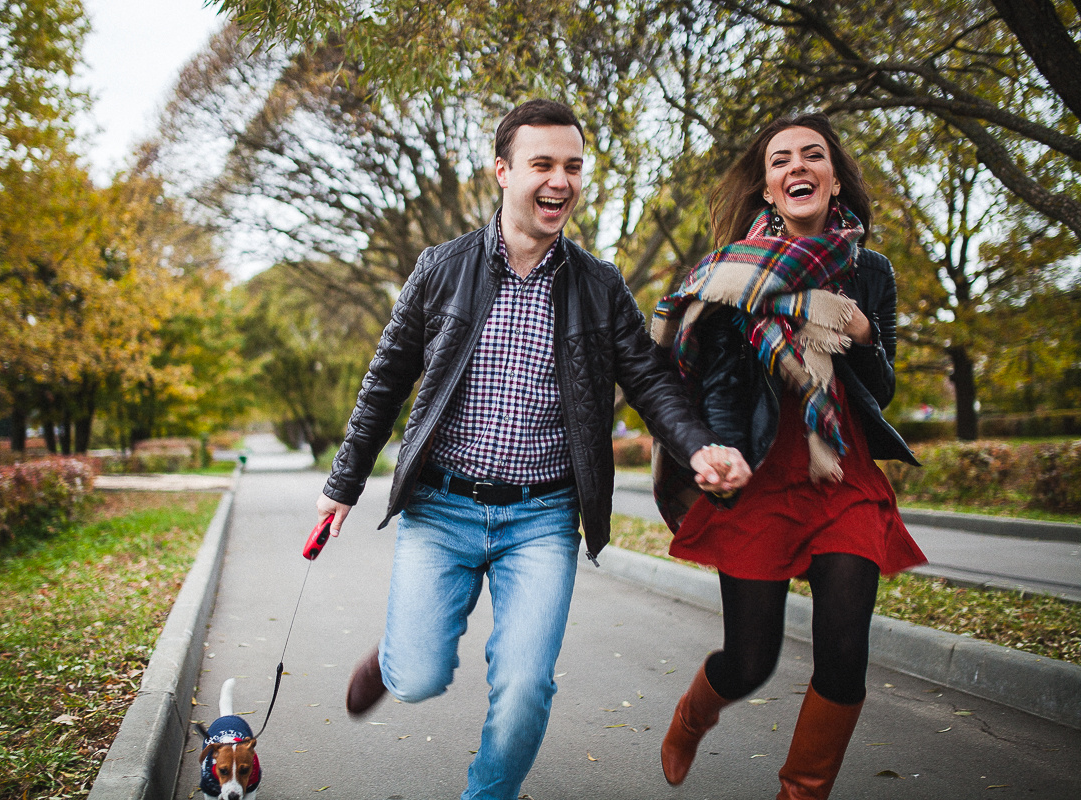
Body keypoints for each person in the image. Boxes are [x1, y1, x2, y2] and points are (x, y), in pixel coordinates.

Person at [315, 99, 751, 800]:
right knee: (420, 676)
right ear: (503, 171)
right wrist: (343, 484)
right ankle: (397, 662)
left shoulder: (599, 285)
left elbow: (649, 377)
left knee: (524, 685)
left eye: (573, 166)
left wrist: (698, 447)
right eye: (543, 164)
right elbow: (385, 382)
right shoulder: (441, 268)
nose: (561, 180)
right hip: (442, 506)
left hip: (542, 518)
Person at [651, 112, 926, 800]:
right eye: (781, 160)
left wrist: (863, 336)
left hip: (842, 474)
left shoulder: (873, 270)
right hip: (763, 479)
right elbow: (718, 388)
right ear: (769, 189)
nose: (796, 167)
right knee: (750, 661)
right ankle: (693, 715)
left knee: (843, 653)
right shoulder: (731, 277)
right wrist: (719, 457)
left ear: (835, 181)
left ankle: (801, 792)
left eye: (813, 156)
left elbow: (884, 389)